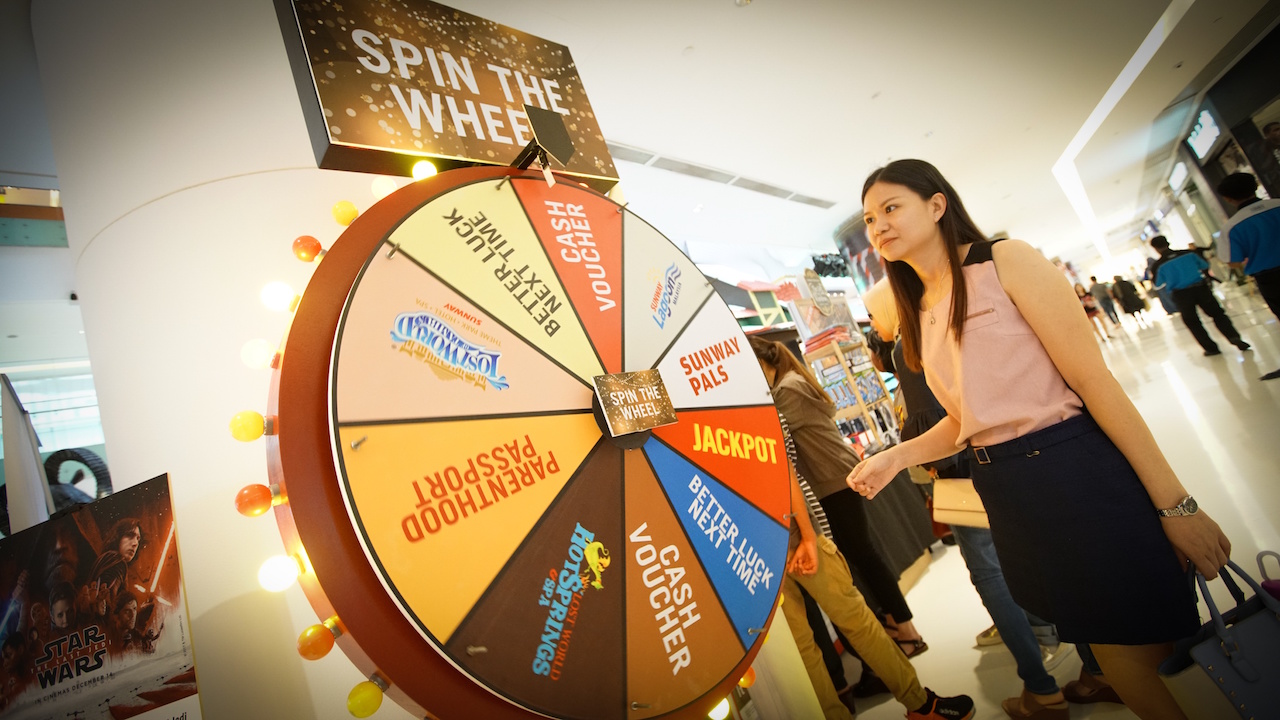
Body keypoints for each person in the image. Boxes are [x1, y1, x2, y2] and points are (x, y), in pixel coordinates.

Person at [848, 159, 1231, 720]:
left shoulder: (1004, 261)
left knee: (1143, 642)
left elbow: (1093, 382)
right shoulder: (923, 308)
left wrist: (1178, 505)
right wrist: (896, 456)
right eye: (867, 218)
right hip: (1009, 493)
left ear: (936, 205)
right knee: (1106, 644)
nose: (877, 226)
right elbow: (966, 419)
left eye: (890, 208)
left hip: (1072, 470)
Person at [863, 280, 1075, 720]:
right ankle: (1079, 659)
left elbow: (933, 422)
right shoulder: (938, 327)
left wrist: (910, 457)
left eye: (870, 313)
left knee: (990, 572)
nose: (871, 323)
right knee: (1033, 556)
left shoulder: (912, 345)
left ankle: (1041, 685)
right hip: (1017, 458)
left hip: (965, 473)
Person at [777, 416, 975, 720]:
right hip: (792, 530)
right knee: (855, 619)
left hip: (752, 547)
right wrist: (806, 533)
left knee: (803, 644)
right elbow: (781, 467)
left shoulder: (700, 409)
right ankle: (920, 704)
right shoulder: (751, 397)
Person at [750, 336, 929, 658]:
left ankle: (906, 631)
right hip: (834, 477)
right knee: (862, 556)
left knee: (862, 557)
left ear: (762, 363)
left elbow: (771, 439)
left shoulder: (785, 391)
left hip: (829, 481)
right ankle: (900, 626)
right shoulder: (792, 381)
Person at [1216, 172, 1280, 380]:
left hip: (1271, 279)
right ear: (1256, 185)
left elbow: (1233, 261)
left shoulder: (1232, 226)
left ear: (1228, 198)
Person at [1149, 235, 1250, 356]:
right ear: (1168, 242)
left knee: (1193, 322)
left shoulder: (1158, 265)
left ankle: (1211, 348)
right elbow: (1204, 265)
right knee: (1217, 314)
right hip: (1200, 288)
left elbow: (1158, 284)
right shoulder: (1188, 254)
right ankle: (1234, 337)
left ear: (1155, 248)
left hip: (1181, 295)